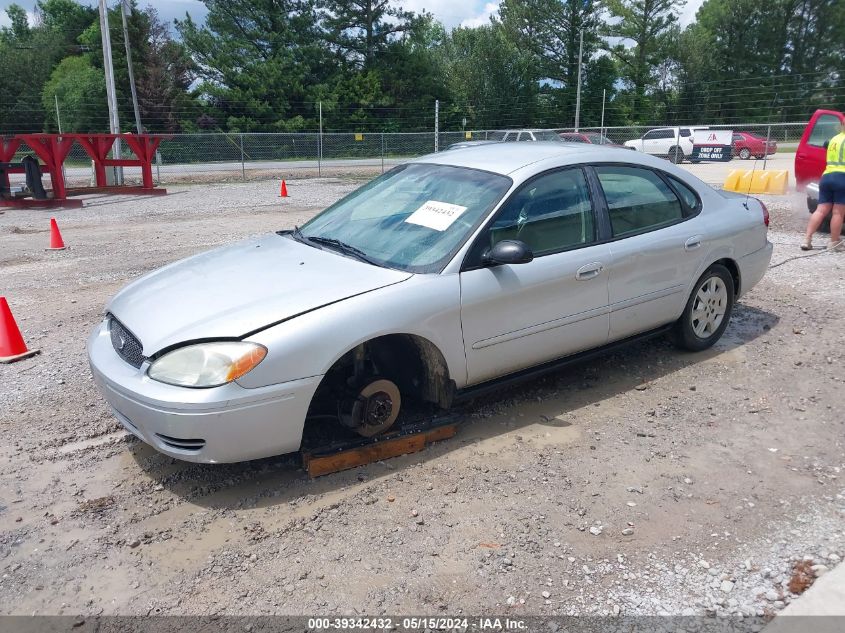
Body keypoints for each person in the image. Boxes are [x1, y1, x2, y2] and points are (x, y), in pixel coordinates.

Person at [802, 123, 845, 251]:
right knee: (838, 212)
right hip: (842, 177)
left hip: (826, 177)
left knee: (820, 210)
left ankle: (807, 240)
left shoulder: (833, 139)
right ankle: (834, 243)